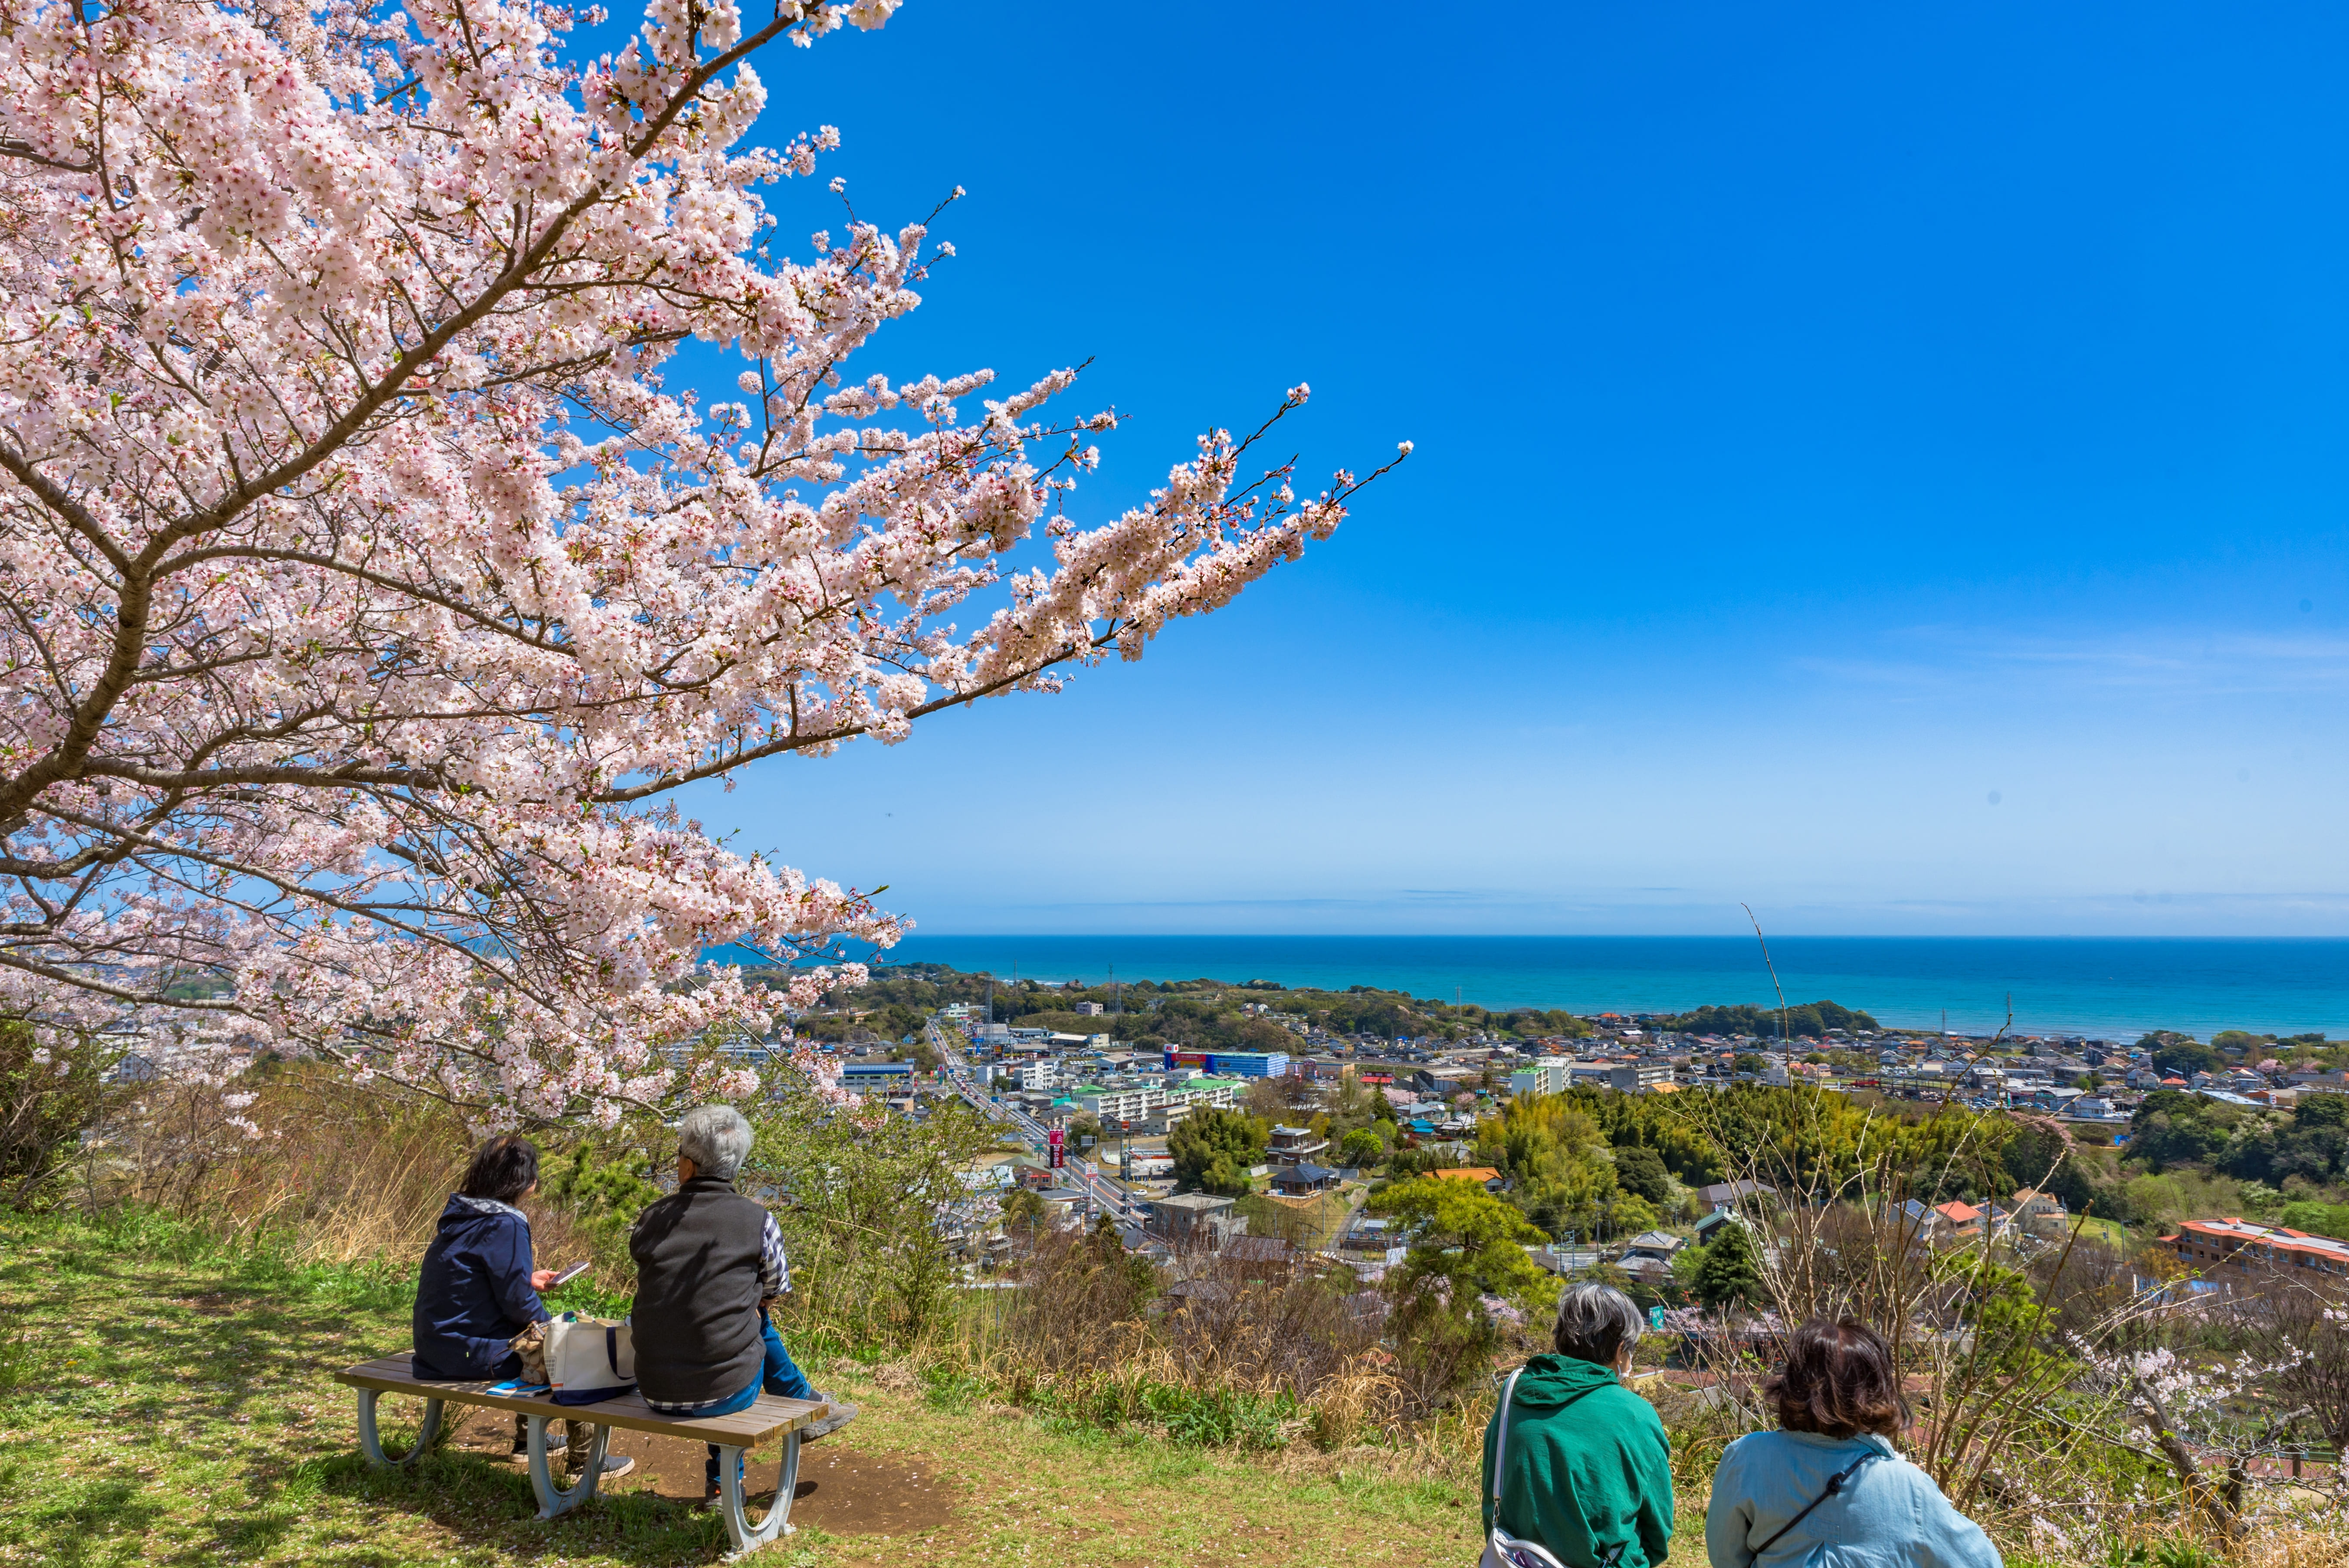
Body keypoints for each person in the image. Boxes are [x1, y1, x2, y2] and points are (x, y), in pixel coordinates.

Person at [629, 1104, 857, 1504]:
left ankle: (803, 1404)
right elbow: (777, 1286)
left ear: (687, 1168)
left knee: (732, 1326)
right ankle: (730, 1477)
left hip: (653, 1386)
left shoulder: (653, 1218)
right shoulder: (757, 1220)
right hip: (723, 1392)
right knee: (751, 1324)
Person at [412, 1135, 635, 1483]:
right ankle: (585, 1462)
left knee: (535, 1340)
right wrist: (556, 1332)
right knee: (575, 1349)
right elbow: (518, 1305)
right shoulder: (507, 1222)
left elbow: (475, 1276)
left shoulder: (462, 1214)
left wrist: (526, 1280)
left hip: (435, 1346)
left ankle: (528, 1443)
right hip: (471, 1353)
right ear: (522, 1179)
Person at [1706, 1318, 2002, 1568]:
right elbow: (1982, 1562)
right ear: (1877, 1390)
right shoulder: (1912, 1488)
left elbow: (1726, 1556)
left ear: (1792, 1382)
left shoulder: (1745, 1457)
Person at [1483, 1282, 1675, 1568]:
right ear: (1621, 1349)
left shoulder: (1513, 1396)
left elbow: (1494, 1495)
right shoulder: (1636, 1414)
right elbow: (1657, 1533)